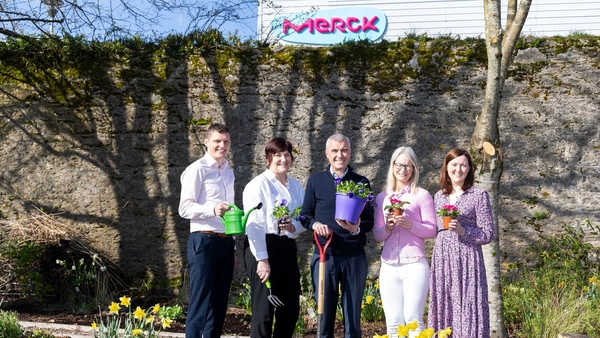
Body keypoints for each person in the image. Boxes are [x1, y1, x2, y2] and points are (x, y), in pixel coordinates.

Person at [300, 133, 375, 338]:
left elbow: (369, 221)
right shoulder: (315, 181)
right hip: (325, 256)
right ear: (327, 154)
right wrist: (316, 225)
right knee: (324, 315)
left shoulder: (361, 183)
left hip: (354, 257)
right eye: (335, 150)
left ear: (350, 153)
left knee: (352, 317)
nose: (339, 154)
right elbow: (304, 216)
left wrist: (356, 229)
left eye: (344, 150)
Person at [428, 148, 496, 337]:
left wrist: (463, 231)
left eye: (463, 165)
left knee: (468, 305)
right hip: (443, 258)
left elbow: (488, 233)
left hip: (468, 260)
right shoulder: (438, 196)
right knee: (444, 303)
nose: (458, 169)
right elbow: (435, 229)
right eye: (454, 164)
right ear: (447, 168)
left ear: (469, 169)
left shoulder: (479, 195)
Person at [242, 137, 306, 338]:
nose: (283, 159)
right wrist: (262, 260)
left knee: (290, 309)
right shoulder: (258, 185)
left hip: (287, 247)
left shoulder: (296, 186)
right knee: (264, 312)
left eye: (287, 155)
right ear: (268, 158)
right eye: (277, 155)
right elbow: (254, 224)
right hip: (262, 247)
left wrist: (294, 226)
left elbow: (305, 218)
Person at [178, 123, 235, 338]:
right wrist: (212, 209)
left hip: (226, 242)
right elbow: (184, 208)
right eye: (217, 141)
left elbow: (229, 213)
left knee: (219, 302)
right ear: (206, 142)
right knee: (200, 299)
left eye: (226, 141)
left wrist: (233, 243)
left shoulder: (228, 173)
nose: (222, 145)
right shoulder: (197, 169)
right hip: (203, 240)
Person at [372, 147, 437, 338]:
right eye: (399, 164)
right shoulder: (382, 197)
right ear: (392, 167)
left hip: (415, 265)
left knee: (413, 319)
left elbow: (432, 230)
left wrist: (410, 225)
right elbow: (377, 235)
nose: (403, 169)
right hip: (389, 266)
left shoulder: (422, 195)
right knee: (393, 323)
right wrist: (388, 228)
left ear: (414, 169)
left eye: (408, 165)